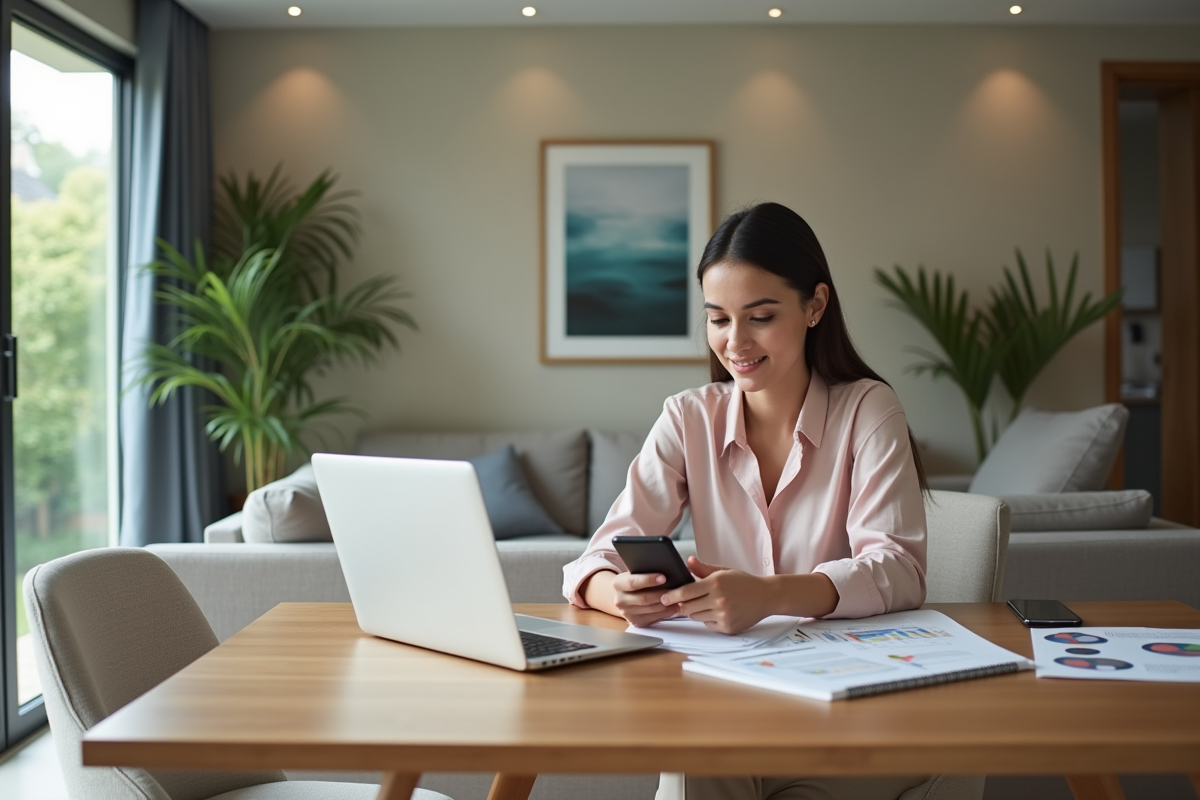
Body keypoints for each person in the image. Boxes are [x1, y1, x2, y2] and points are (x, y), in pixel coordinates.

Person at [561, 202, 930, 800]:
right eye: (718, 319)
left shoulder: (869, 408)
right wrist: (619, 594)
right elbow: (594, 559)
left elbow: (898, 570)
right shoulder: (688, 417)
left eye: (759, 317)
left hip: (848, 704)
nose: (736, 343)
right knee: (699, 752)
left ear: (815, 305)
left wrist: (771, 594)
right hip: (728, 700)